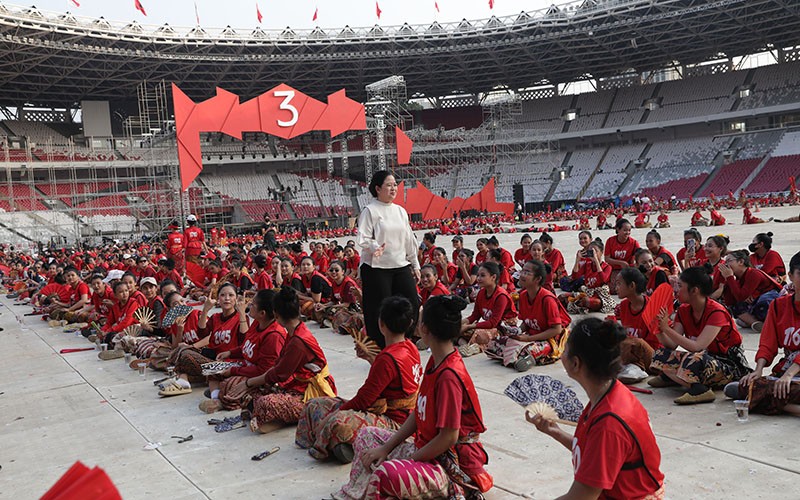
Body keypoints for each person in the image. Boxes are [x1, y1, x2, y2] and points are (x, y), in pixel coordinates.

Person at [333, 295, 492, 500]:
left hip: (450, 463)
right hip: (426, 449)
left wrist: (411, 460)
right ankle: (358, 492)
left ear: (424, 329)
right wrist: (386, 448)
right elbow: (419, 412)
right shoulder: (435, 361)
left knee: (386, 473)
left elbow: (449, 437)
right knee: (367, 437)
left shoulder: (449, 376)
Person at [529, 317, 664, 500]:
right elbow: (596, 454)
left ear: (575, 364)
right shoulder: (609, 394)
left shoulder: (609, 422)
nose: (561, 353)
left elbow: (580, 497)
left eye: (565, 348)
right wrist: (556, 432)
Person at [296, 296, 422, 464]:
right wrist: (371, 359)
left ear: (381, 324)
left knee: (336, 422)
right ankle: (337, 444)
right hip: (400, 415)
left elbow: (364, 400)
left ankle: (337, 443)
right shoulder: (410, 347)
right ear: (409, 323)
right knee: (314, 405)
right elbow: (390, 382)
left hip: (395, 422)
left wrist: (335, 414)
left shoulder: (388, 358)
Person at [234, 286, 336, 434]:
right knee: (250, 394)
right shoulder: (294, 330)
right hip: (294, 384)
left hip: (311, 392)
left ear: (275, 314)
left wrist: (248, 382)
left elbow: (278, 374)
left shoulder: (298, 341)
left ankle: (285, 417)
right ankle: (270, 417)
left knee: (264, 402)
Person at [650, 267, 751, 404]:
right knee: (660, 354)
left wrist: (667, 329)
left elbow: (698, 346)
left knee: (695, 359)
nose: (676, 290)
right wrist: (658, 330)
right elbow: (671, 344)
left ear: (694, 290)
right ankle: (679, 378)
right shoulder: (684, 310)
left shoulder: (716, 312)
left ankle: (698, 389)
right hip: (701, 359)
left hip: (727, 364)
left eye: (680, 286)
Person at [727, 251, 800, 416]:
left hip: (792, 372)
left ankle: (775, 403)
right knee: (744, 387)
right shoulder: (778, 306)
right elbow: (768, 342)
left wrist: (789, 375)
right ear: (791, 276)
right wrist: (758, 370)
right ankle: (784, 403)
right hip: (787, 371)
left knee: (761, 391)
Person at [357, 171, 421, 349]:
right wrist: (374, 247)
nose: (393, 188)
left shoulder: (400, 211)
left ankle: (403, 339)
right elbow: (363, 237)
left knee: (412, 302)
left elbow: (409, 239)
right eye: (389, 185)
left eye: (395, 185)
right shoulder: (370, 210)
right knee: (378, 309)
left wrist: (415, 264)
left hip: (400, 264)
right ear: (377, 188)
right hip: (376, 267)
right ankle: (379, 347)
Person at [200, 289, 287, 413]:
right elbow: (246, 345)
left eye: (253, 304)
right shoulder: (257, 322)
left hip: (260, 377)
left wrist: (233, 371)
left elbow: (264, 371)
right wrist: (230, 353)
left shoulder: (274, 335)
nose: (249, 305)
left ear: (262, 313)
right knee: (211, 368)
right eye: (223, 295)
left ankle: (223, 398)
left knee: (229, 385)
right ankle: (216, 397)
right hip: (245, 365)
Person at [158, 283, 247, 397]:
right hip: (214, 359)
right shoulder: (215, 317)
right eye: (223, 295)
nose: (227, 298)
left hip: (232, 362)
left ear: (236, 298)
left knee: (187, 355)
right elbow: (202, 332)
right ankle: (185, 380)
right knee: (181, 352)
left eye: (231, 295)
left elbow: (244, 338)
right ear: (218, 298)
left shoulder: (239, 318)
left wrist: (242, 314)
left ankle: (187, 381)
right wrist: (205, 309)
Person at [486, 260, 570, 371]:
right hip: (531, 336)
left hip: (550, 340)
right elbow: (526, 321)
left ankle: (524, 358)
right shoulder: (523, 296)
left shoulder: (547, 299)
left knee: (528, 349)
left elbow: (556, 330)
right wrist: (517, 331)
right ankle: (517, 358)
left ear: (538, 279)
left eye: (527, 272)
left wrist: (528, 339)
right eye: (522, 271)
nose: (521, 275)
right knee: (494, 344)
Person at [459, 262, 518, 357]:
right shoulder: (481, 293)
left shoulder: (501, 296)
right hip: (490, 327)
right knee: (457, 329)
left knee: (479, 334)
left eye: (482, 275)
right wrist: (460, 323)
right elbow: (475, 315)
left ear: (493, 277)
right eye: (478, 275)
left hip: (503, 329)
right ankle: (469, 345)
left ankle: (472, 346)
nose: (478, 278)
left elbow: (493, 323)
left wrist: (469, 327)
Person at [614, 268, 661, 382]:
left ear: (632, 286)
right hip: (631, 351)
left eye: (619, 284)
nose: (616, 288)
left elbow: (656, 344)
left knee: (636, 342)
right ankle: (630, 367)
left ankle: (636, 367)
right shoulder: (624, 305)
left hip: (653, 356)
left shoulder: (652, 307)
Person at [717, 250, 781, 332]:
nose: (725, 265)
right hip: (756, 304)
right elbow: (730, 302)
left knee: (763, 303)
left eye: (729, 261)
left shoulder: (753, 273)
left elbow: (741, 297)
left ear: (741, 262)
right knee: (736, 307)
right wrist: (727, 280)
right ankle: (756, 323)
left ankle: (764, 323)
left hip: (770, 301)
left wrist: (730, 277)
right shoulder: (737, 279)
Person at [560, 238, 614, 315]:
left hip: (600, 295)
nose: (592, 253)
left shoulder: (607, 267)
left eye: (594, 251)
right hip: (587, 292)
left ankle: (582, 306)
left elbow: (603, 279)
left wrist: (596, 261)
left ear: (601, 252)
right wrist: (577, 260)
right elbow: (574, 276)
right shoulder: (587, 265)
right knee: (562, 297)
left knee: (586, 301)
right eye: (590, 251)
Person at [604, 218, 640, 294]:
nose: (627, 232)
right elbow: (607, 259)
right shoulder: (610, 241)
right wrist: (621, 263)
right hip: (614, 269)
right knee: (614, 289)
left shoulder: (633, 242)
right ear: (618, 229)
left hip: (628, 269)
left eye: (629, 230)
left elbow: (640, 255)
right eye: (625, 230)